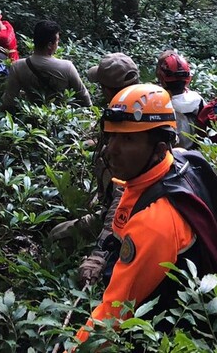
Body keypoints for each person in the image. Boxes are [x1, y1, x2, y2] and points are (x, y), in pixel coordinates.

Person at [75, 83, 217, 345]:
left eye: (128, 139)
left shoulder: (155, 222)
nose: (111, 149)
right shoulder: (180, 162)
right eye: (112, 136)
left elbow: (113, 316)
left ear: (160, 148)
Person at [50, 53, 141, 284]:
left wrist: (100, 254)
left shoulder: (128, 132)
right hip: (112, 203)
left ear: (109, 90)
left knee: (57, 235)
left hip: (128, 218)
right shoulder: (139, 112)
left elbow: (123, 197)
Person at [1, 20, 91, 112]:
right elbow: (83, 95)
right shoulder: (67, 66)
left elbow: (9, 101)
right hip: (62, 117)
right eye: (57, 41)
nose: (57, 44)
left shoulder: (18, 66)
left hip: (32, 117)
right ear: (50, 45)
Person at [156, 50, 204, 149]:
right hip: (193, 153)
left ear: (161, 77)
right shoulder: (197, 100)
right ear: (188, 79)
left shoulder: (155, 100)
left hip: (167, 153)